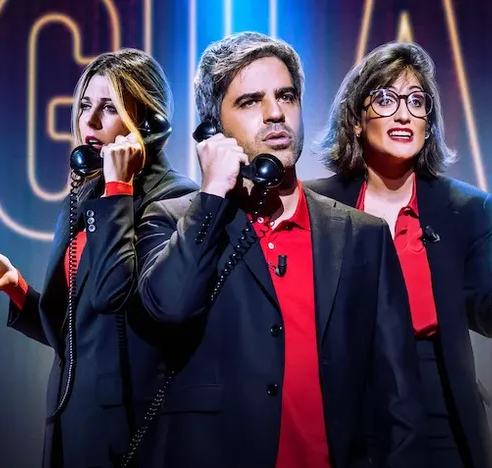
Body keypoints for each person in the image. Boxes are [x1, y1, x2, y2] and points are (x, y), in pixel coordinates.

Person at [306, 41, 492, 468]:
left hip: (434, 396)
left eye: (416, 102)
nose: (404, 114)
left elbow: (484, 311)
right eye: (386, 99)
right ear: (356, 120)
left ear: (428, 125)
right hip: (342, 393)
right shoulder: (315, 206)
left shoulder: (465, 208)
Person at [133, 32, 427, 467]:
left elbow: (399, 401)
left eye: (286, 96)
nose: (275, 113)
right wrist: (212, 194)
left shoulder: (363, 235)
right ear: (213, 128)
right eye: (250, 101)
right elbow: (169, 309)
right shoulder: (172, 219)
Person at [0, 48, 198, 467]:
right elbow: (80, 333)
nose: (90, 121)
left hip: (131, 432)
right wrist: (17, 287)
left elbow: (112, 296)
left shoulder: (175, 199)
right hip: (70, 423)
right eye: (86, 105)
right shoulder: (88, 197)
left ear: (149, 122)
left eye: (110, 107)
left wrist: (119, 189)